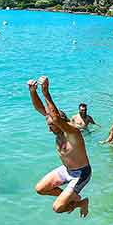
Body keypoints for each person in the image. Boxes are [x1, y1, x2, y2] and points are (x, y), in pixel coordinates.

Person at [27, 76, 91, 217]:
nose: (49, 129)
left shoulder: (72, 132)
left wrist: (46, 92)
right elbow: (39, 108)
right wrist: (32, 91)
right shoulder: (55, 124)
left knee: (57, 208)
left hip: (81, 173)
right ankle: (70, 198)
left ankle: (82, 202)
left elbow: (55, 118)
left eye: (51, 126)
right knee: (40, 189)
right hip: (67, 169)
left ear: (60, 122)